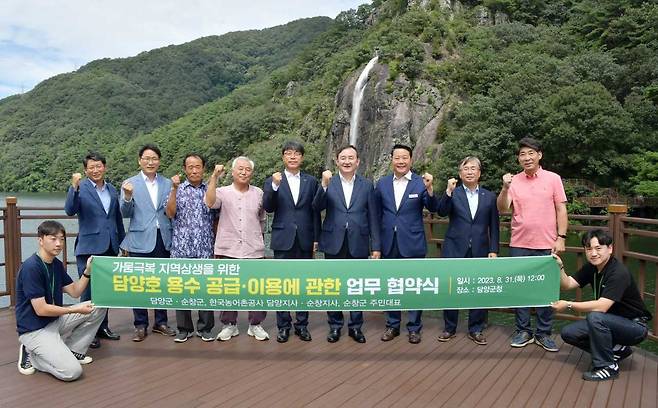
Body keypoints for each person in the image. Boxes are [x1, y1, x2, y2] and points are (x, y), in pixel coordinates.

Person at [497, 137, 568, 352]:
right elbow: (502, 209)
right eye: (522, 154)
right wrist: (504, 188)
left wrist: (561, 237)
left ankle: (544, 333)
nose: (526, 158)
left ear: (539, 155)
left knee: (547, 290)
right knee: (520, 288)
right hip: (519, 242)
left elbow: (561, 209)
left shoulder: (553, 178)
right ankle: (523, 330)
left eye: (531, 153)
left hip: (547, 242)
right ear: (518, 158)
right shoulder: (513, 181)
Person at [551, 230, 651, 381]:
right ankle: (617, 350)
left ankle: (607, 366)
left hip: (634, 327)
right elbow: (568, 284)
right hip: (612, 321)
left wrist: (568, 304)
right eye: (589, 249)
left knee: (596, 317)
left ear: (610, 248)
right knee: (569, 333)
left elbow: (602, 306)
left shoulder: (618, 272)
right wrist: (559, 267)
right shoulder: (592, 267)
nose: (593, 253)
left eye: (598, 248)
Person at [16, 221, 105, 381]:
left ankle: (73, 350)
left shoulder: (55, 264)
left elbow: (75, 291)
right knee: (72, 372)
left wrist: (87, 271)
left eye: (62, 239)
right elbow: (41, 310)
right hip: (35, 330)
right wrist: (75, 310)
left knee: (98, 306)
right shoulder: (31, 267)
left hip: (54, 322)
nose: (58, 244)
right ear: (40, 240)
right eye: (53, 239)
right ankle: (32, 354)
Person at [313, 144, 381, 344]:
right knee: (333, 286)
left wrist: (376, 246)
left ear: (358, 161)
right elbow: (317, 207)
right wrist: (323, 186)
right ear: (336, 161)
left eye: (351, 158)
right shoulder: (329, 182)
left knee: (356, 286)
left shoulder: (367, 185)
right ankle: (334, 326)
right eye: (343, 158)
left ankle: (356, 327)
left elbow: (373, 217)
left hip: (358, 241)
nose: (347, 161)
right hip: (333, 241)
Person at [375, 144, 438, 344]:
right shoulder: (382, 184)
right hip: (388, 243)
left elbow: (433, 207)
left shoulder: (421, 182)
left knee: (414, 287)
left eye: (405, 158)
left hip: (412, 242)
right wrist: (375, 245)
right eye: (397, 158)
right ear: (391, 160)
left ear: (411, 160)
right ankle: (392, 325)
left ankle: (414, 327)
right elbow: (376, 216)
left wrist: (429, 189)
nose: (401, 161)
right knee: (391, 285)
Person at [205, 156, 269, 341]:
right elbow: (209, 202)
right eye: (240, 169)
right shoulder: (222, 192)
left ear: (252, 173)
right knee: (228, 289)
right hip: (228, 247)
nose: (243, 172)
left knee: (257, 288)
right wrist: (214, 177)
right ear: (232, 172)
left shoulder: (259, 193)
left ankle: (255, 324)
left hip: (253, 248)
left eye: (247, 169)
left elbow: (262, 219)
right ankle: (229, 325)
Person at [436, 156, 499, 345]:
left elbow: (494, 226)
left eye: (473, 168)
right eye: (466, 168)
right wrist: (447, 192)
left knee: (478, 289)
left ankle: (476, 328)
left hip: (481, 248)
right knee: (451, 289)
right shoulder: (453, 193)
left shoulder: (489, 196)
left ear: (479, 173)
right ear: (460, 173)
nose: (470, 172)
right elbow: (441, 211)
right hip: (454, 247)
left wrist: (494, 249)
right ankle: (449, 328)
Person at [64, 151, 124, 349]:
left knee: (104, 290)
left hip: (110, 245)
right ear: (85, 170)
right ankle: (86, 330)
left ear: (104, 167)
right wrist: (74, 186)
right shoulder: (80, 188)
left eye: (99, 166)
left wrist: (122, 243)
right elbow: (70, 210)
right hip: (88, 247)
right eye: (91, 167)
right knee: (87, 290)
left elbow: (116, 219)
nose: (96, 170)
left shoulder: (112, 189)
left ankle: (102, 327)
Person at [263, 141, 320, 343]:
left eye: (297, 153)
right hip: (282, 238)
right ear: (283, 157)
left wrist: (316, 238)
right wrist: (274, 187)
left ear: (302, 158)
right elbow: (268, 207)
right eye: (288, 153)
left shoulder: (311, 181)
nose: (293, 157)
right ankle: (283, 326)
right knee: (282, 284)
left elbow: (315, 211)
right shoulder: (273, 180)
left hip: (305, 238)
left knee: (304, 283)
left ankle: (302, 325)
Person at [120, 144, 176, 342]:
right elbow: (125, 214)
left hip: (163, 238)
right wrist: (127, 197)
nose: (150, 162)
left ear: (159, 161)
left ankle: (161, 322)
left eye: (154, 158)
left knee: (161, 282)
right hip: (139, 239)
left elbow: (172, 211)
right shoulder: (130, 183)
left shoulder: (168, 183)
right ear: (139, 161)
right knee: (139, 283)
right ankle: (140, 324)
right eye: (146, 158)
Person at [165, 153, 216, 343]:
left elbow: (214, 209)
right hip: (181, 247)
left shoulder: (209, 189)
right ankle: (184, 328)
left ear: (203, 168)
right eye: (190, 167)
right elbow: (170, 213)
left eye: (198, 166)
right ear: (185, 169)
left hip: (204, 247)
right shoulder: (177, 188)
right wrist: (173, 189)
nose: (194, 170)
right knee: (182, 288)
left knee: (205, 289)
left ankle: (205, 328)